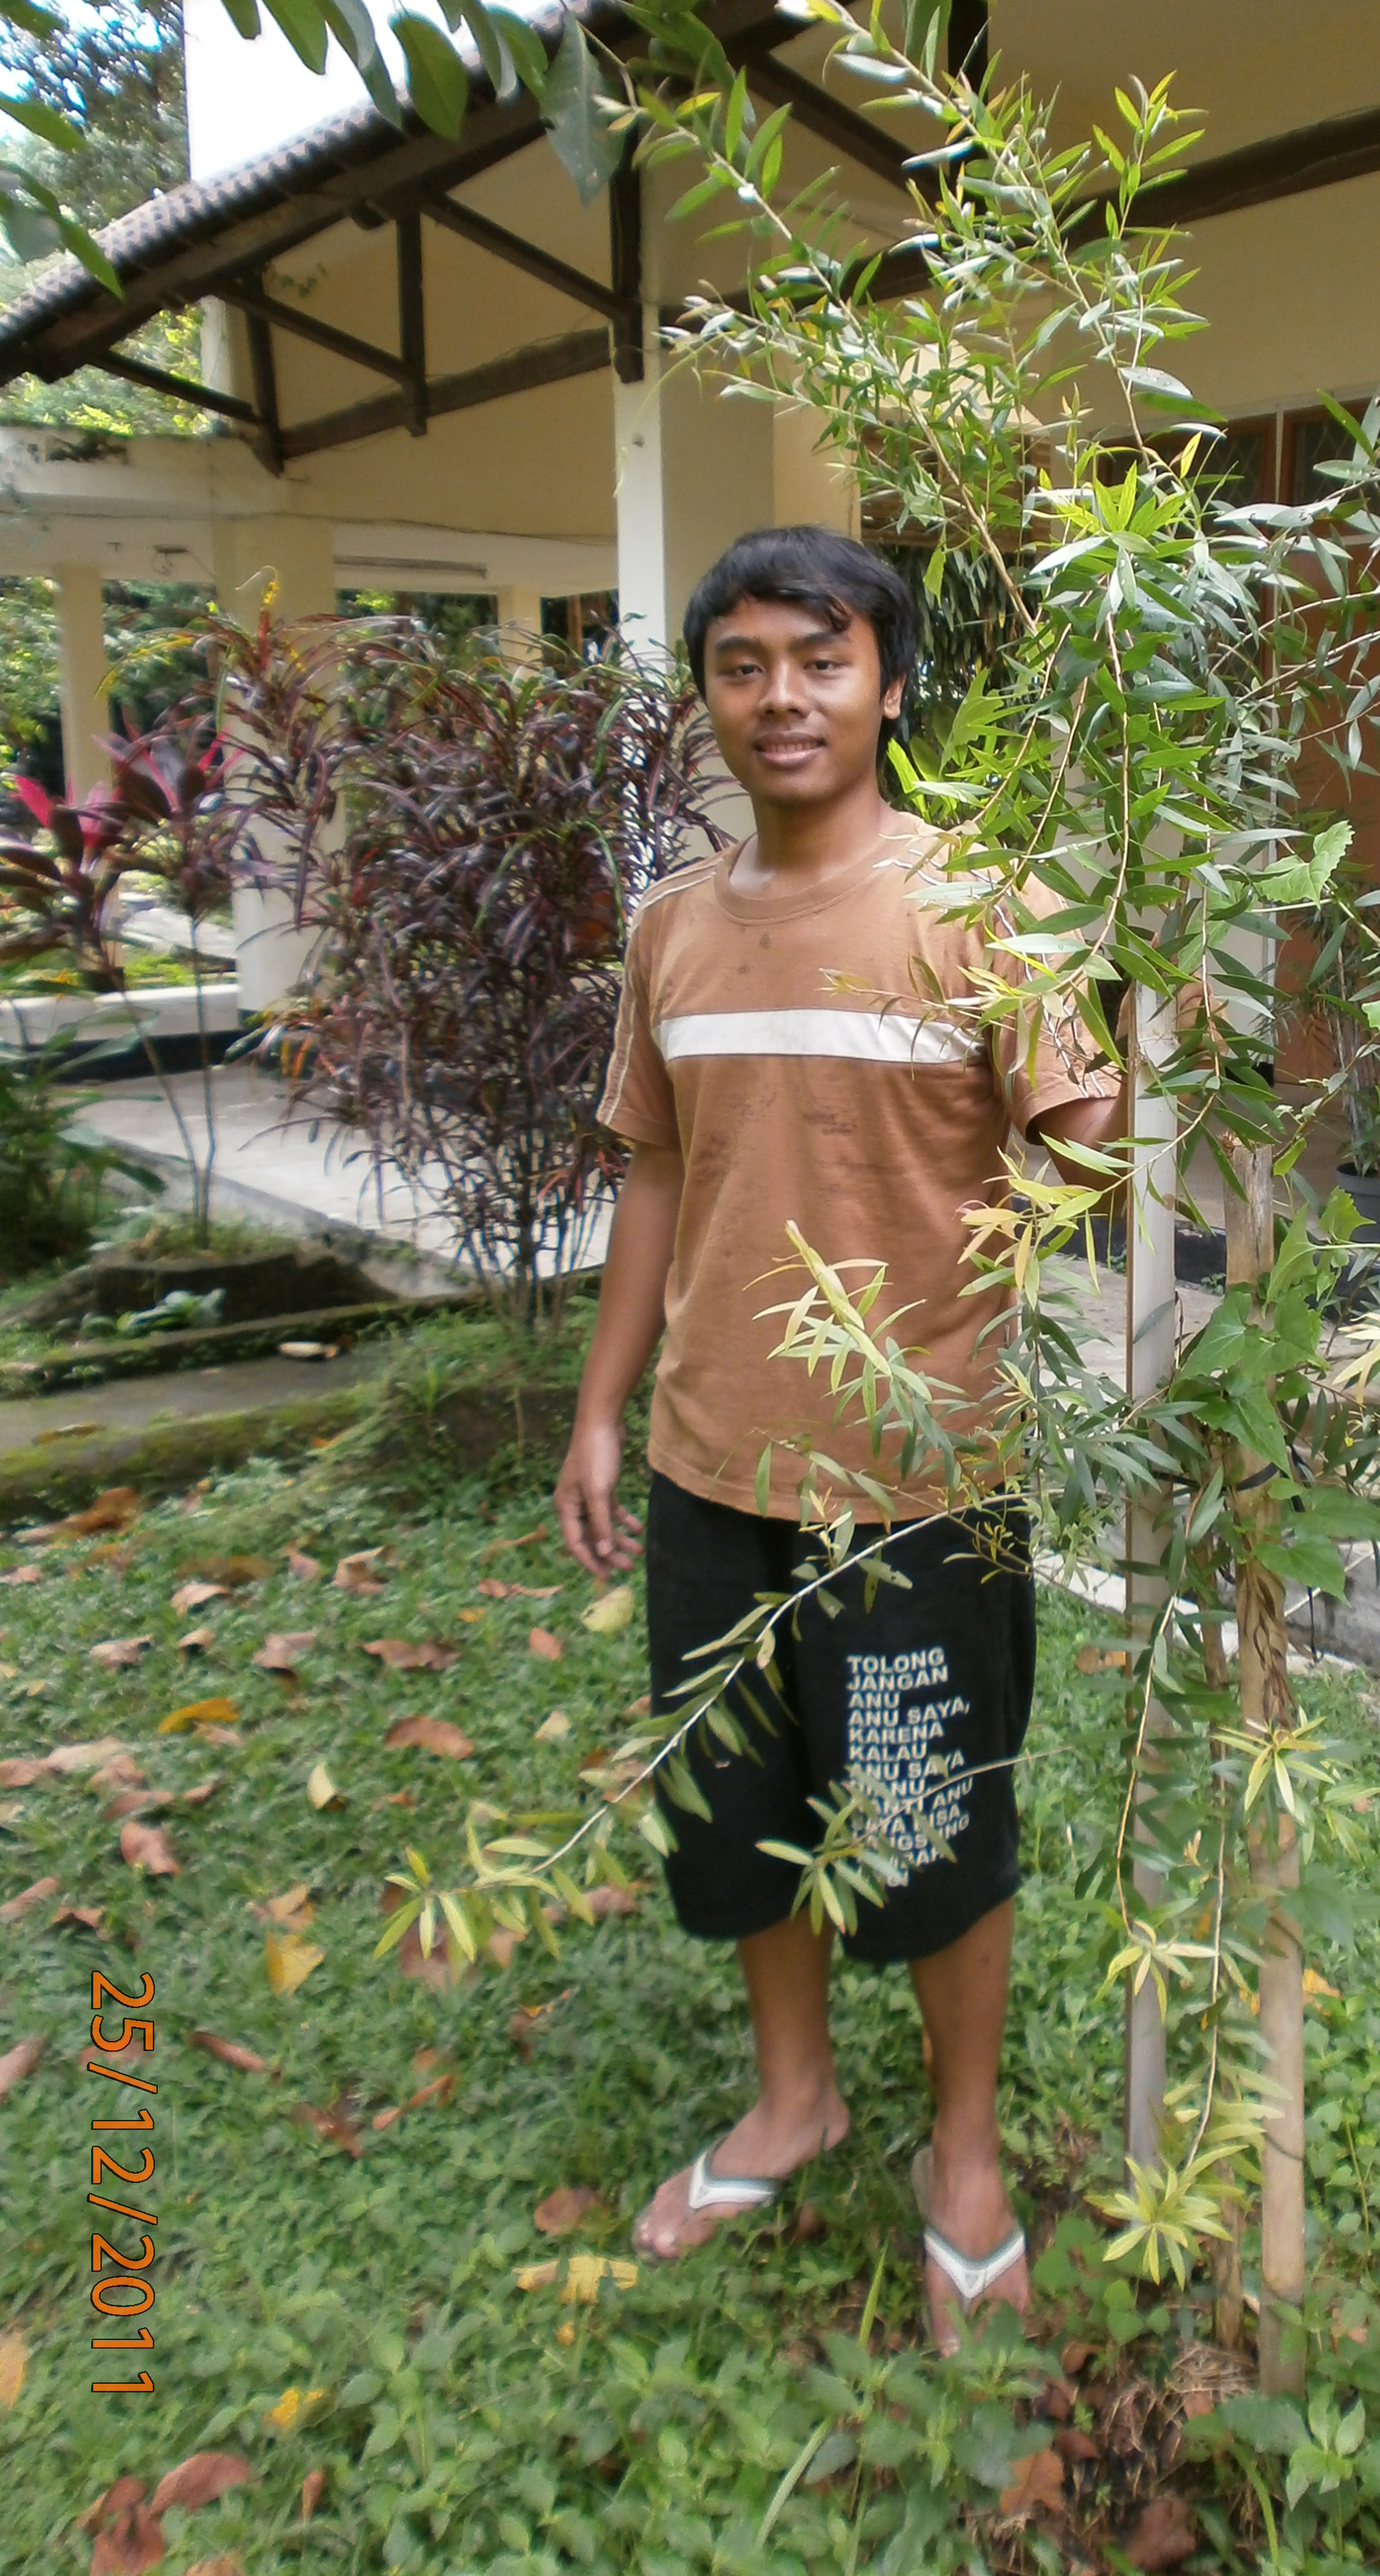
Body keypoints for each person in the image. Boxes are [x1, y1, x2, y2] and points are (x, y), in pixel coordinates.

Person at [554, 525, 1123, 2347]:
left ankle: (963, 2151)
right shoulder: (673, 929)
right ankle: (794, 2098)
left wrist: (1132, 1043)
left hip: (921, 1488)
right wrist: (599, 1407)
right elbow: (656, 1171)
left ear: (886, 679)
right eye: (743, 664)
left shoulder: (986, 905)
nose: (781, 697)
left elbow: (1089, 1161)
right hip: (716, 1467)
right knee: (737, 1824)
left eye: (820, 657)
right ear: (708, 690)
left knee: (926, 1820)